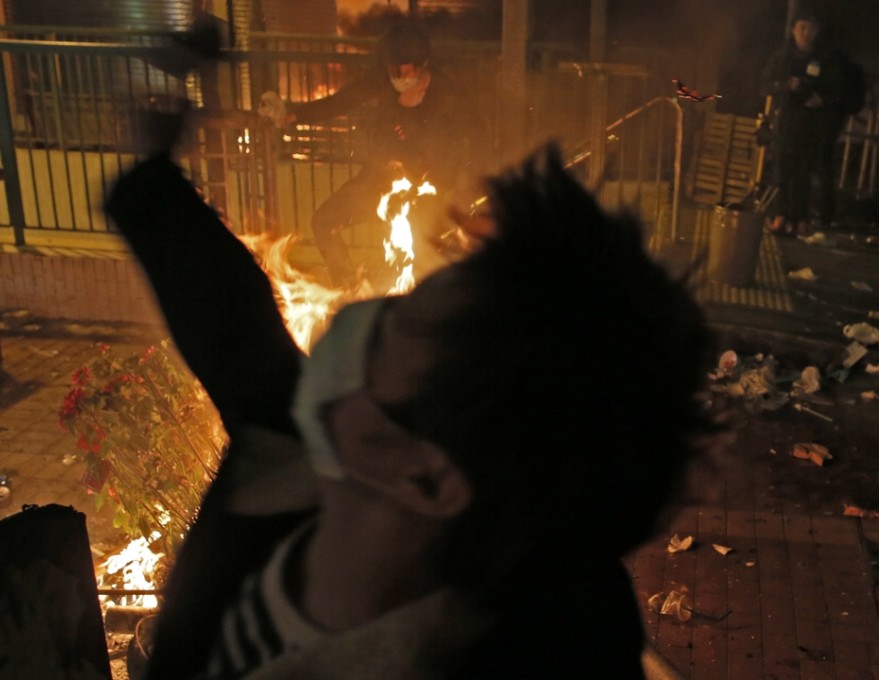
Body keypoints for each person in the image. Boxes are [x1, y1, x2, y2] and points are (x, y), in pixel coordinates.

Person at [106, 96, 713, 677]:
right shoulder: (293, 460)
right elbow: (232, 324)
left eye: (391, 325)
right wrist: (156, 175)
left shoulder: (558, 641)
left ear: (424, 476)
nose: (353, 317)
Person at [258, 18, 483, 288]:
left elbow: (475, 137)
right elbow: (341, 101)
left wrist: (468, 188)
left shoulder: (448, 95)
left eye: (406, 70)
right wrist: (292, 113)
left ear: (423, 65)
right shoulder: (382, 81)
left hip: (428, 192)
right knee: (324, 222)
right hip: (379, 181)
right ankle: (348, 290)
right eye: (393, 71)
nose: (400, 77)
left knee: (424, 256)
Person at [760, 6, 857, 236]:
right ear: (793, 30)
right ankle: (780, 215)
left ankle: (800, 218)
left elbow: (838, 91)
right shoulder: (781, 57)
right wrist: (786, 85)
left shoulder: (826, 59)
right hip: (785, 120)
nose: (806, 33)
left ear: (818, 32)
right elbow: (764, 86)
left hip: (812, 123)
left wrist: (820, 100)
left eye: (811, 29)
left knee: (803, 171)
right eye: (802, 27)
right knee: (782, 170)